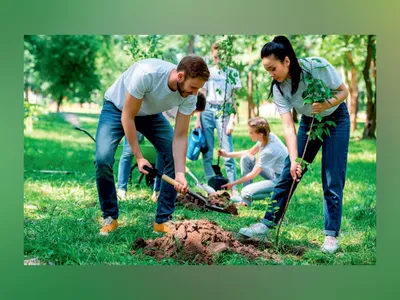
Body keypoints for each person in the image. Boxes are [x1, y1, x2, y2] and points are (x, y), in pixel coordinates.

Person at [239, 36, 350, 254]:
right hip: (309, 123)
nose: (271, 74)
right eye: (267, 70)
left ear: (286, 61)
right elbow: (288, 127)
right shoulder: (279, 88)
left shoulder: (317, 67)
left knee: (332, 176)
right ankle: (266, 223)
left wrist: (325, 104)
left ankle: (330, 236)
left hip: (335, 119)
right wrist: (293, 160)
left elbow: (343, 92)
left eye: (273, 68)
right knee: (289, 173)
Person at [95, 56, 210, 236]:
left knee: (171, 155)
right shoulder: (147, 74)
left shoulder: (190, 95)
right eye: (193, 87)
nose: (195, 93)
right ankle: (110, 216)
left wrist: (180, 172)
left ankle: (163, 220)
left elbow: (180, 136)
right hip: (117, 109)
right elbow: (128, 116)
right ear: (180, 77)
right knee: (103, 159)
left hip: (150, 115)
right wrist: (139, 157)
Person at [116, 92, 207, 201]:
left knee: (162, 153)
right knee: (128, 151)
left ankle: (157, 191)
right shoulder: (174, 100)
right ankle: (121, 190)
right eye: (195, 112)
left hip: (155, 127)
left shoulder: (183, 110)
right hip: (138, 117)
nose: (192, 115)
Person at [195, 42, 242, 194]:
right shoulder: (208, 72)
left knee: (227, 152)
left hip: (225, 111)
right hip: (207, 110)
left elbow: (234, 99)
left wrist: (233, 119)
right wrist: (198, 119)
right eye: (215, 57)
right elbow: (201, 95)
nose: (217, 59)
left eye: (220, 56)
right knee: (207, 151)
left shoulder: (233, 73)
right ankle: (211, 187)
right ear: (212, 56)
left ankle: (233, 188)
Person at [218, 117, 288, 206]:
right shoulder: (268, 136)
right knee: (246, 158)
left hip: (283, 181)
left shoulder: (269, 150)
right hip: (275, 173)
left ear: (260, 134)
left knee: (245, 192)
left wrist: (233, 183)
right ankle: (246, 201)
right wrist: (227, 154)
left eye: (251, 133)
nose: (249, 134)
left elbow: (253, 174)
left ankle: (281, 195)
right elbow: (250, 152)